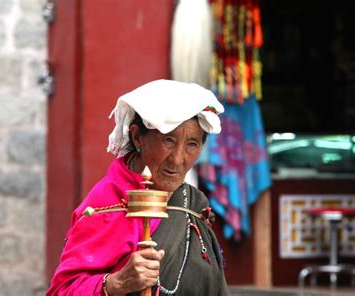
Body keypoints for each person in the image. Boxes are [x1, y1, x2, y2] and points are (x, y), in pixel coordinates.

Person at [46, 79, 229, 295]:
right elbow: (61, 291)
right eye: (168, 141)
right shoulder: (105, 206)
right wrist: (116, 283)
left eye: (192, 144)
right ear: (137, 137)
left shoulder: (192, 205)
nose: (178, 159)